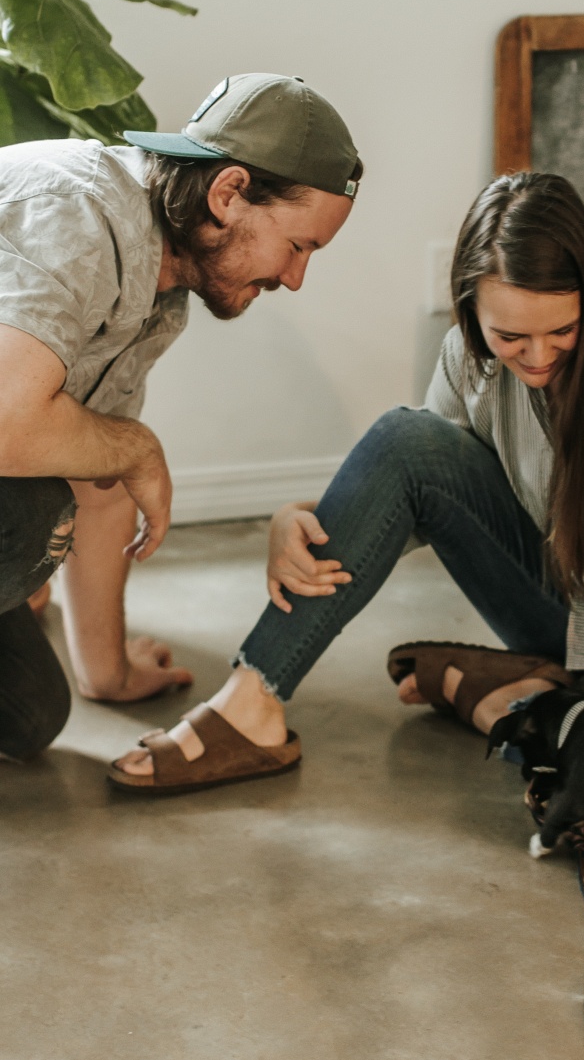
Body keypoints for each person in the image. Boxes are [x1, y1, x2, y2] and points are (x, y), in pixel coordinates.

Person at [113, 171, 584, 845]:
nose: (536, 357)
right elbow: (416, 478)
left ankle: (513, 703)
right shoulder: (471, 356)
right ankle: (251, 703)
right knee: (404, 433)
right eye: (510, 337)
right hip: (574, 611)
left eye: (562, 330)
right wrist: (295, 515)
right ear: (471, 310)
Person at [0, 73, 361, 761]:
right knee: (24, 523)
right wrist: (137, 446)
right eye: (299, 244)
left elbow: (96, 479)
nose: (295, 278)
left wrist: (107, 672)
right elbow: (8, 426)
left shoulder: (161, 288)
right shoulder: (81, 215)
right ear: (229, 193)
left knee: (30, 714)